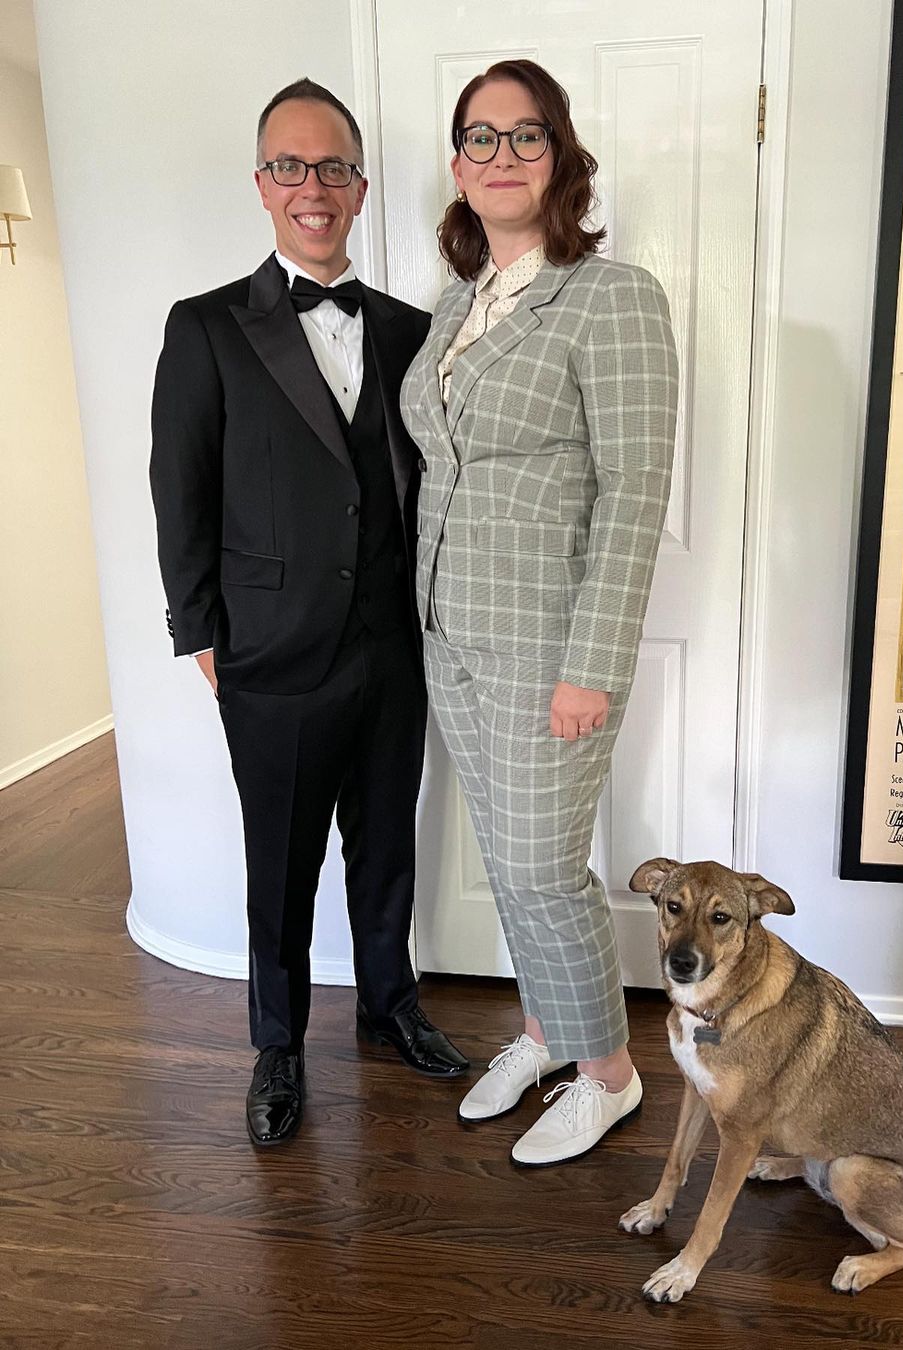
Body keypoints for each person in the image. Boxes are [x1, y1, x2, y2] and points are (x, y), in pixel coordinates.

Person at [150, 78, 467, 1148]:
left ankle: (389, 1005)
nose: (313, 186)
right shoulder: (206, 328)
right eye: (290, 166)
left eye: (333, 166)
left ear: (361, 187)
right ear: (262, 185)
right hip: (270, 653)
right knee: (279, 863)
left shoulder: (411, 330)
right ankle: (278, 1044)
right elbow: (180, 487)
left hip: (391, 644)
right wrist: (198, 630)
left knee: (386, 847)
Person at [401, 60, 678, 1165]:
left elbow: (634, 492)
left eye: (527, 136)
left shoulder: (612, 298)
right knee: (507, 860)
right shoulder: (456, 304)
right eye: (481, 136)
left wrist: (592, 665)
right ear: (458, 165)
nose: (502, 155)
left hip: (550, 645)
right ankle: (548, 1032)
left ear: (560, 158)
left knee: (541, 869)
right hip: (449, 636)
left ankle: (608, 1072)